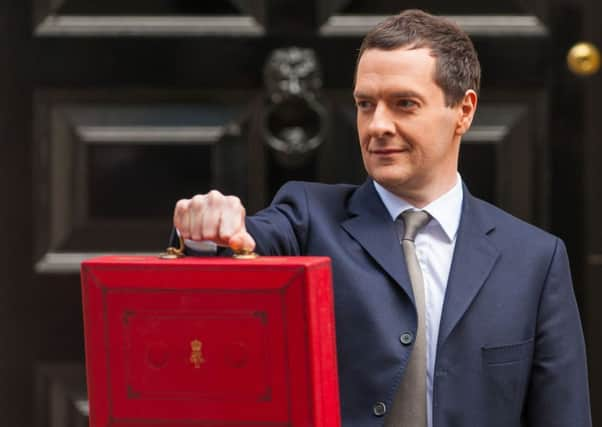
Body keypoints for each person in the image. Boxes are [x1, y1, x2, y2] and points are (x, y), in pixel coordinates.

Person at [172, 9, 591, 427]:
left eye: (404, 104)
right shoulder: (306, 219)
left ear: (463, 111)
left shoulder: (534, 259)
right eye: (365, 104)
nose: (377, 126)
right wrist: (208, 231)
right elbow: (227, 265)